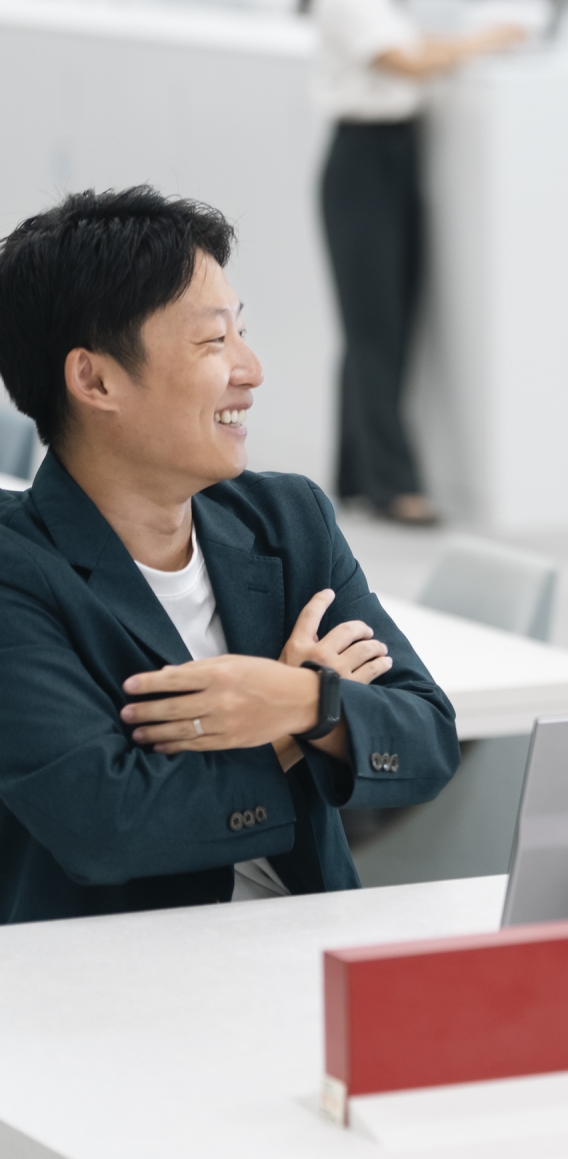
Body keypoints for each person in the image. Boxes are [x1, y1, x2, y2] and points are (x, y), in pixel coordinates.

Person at [0, 188, 457, 924]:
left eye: (241, 332)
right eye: (214, 341)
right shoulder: (17, 570)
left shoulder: (288, 520)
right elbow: (108, 825)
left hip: (310, 940)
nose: (251, 368)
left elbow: (427, 738)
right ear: (95, 380)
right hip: (123, 970)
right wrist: (291, 730)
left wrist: (302, 701)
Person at [304, 0, 523, 525]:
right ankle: (393, 485)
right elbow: (405, 59)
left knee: (384, 324)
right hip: (361, 161)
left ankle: (355, 472)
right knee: (374, 327)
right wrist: (484, 41)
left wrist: (455, 45)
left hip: (398, 156)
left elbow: (421, 45)